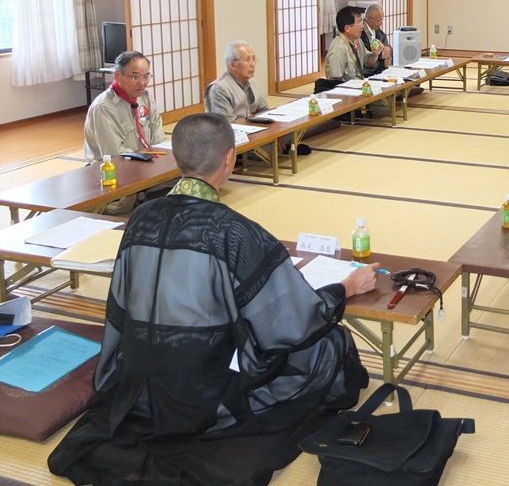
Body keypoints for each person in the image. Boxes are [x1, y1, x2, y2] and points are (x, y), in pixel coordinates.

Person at [49, 113, 379, 486]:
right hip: (205, 395)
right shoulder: (236, 232)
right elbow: (291, 321)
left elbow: (121, 307)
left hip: (138, 385)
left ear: (176, 157)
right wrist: (345, 288)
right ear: (229, 158)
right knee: (329, 341)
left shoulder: (141, 216)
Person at [83, 50, 166, 162]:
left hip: (145, 161)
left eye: (146, 76)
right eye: (135, 77)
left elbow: (158, 138)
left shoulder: (145, 97)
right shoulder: (103, 108)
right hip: (112, 167)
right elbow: (114, 154)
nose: (142, 83)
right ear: (117, 75)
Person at [204, 41, 270, 121]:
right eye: (247, 59)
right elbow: (228, 122)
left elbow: (264, 110)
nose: (253, 64)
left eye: (253, 59)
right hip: (233, 128)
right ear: (232, 65)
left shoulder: (251, 81)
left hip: (252, 126)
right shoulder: (218, 89)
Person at [324, 6, 381, 82]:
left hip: (358, 83)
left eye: (361, 22)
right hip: (345, 87)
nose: (362, 26)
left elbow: (368, 61)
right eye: (359, 23)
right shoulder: (338, 47)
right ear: (347, 28)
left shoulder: (357, 40)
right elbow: (336, 80)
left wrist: (375, 53)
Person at [361, 4, 393, 76]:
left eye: (382, 20)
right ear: (368, 19)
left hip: (379, 71)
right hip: (367, 73)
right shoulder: (360, 34)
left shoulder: (378, 32)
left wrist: (388, 51)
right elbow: (366, 61)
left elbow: (386, 48)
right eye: (379, 21)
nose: (381, 23)